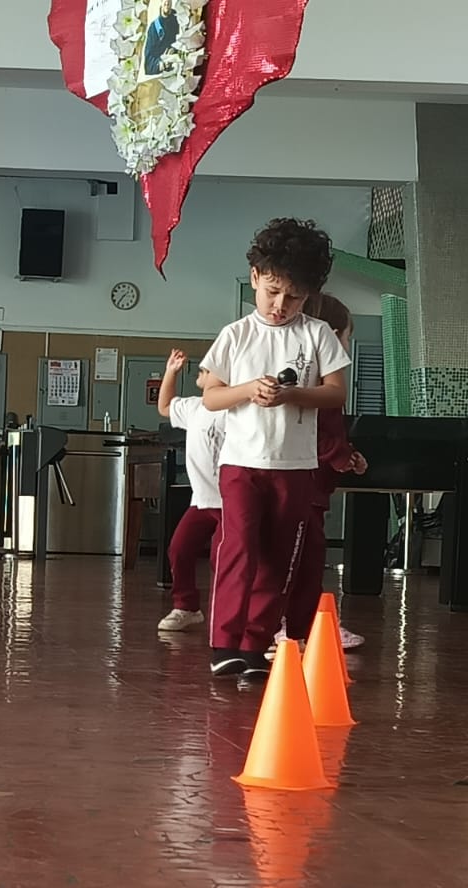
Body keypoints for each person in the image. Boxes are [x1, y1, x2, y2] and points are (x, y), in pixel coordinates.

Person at [200, 218, 351, 682]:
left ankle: (255, 645)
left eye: (294, 297)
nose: (281, 305)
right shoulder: (235, 334)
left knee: (279, 556)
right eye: (272, 292)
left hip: (296, 467)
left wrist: (292, 395)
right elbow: (211, 397)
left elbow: (336, 393)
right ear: (255, 278)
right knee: (239, 548)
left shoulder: (318, 335)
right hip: (241, 464)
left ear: (309, 296)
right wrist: (249, 389)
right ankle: (224, 643)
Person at [277, 292, 367, 653]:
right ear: (328, 335)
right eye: (346, 337)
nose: (347, 346)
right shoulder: (321, 387)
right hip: (306, 483)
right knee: (302, 559)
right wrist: (342, 457)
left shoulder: (310, 380)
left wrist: (347, 454)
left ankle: (305, 624)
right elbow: (318, 432)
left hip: (308, 481)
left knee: (304, 558)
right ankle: (292, 626)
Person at [154, 349, 227, 634]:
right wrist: (170, 372)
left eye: (208, 369)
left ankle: (227, 613)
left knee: (222, 558)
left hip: (231, 502)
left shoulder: (236, 410)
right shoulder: (194, 407)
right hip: (202, 501)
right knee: (179, 548)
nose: (201, 371)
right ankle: (186, 607)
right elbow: (164, 406)